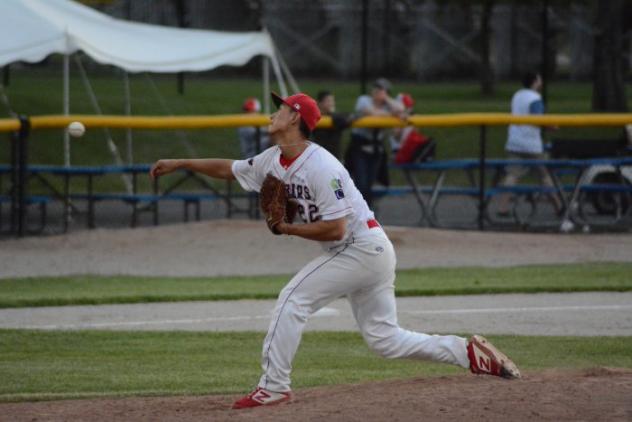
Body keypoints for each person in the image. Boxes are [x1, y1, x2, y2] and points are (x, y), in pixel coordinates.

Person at [149, 92, 521, 410]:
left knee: (292, 298)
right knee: (384, 339)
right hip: (362, 252)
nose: (271, 113)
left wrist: (288, 228)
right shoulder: (273, 157)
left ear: (295, 118)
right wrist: (181, 163)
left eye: (280, 109)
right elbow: (232, 169)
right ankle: (466, 353)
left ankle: (274, 388)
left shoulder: (322, 167)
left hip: (361, 248)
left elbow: (337, 228)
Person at [496, 72, 562, 217]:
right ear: (535, 82)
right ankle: (558, 207)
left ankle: (502, 207)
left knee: (512, 174)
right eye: (539, 79)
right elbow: (537, 119)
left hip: (514, 141)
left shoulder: (517, 95)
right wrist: (552, 126)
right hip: (531, 144)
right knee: (544, 176)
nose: (541, 82)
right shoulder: (535, 98)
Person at [344, 78, 405, 206]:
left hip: (376, 149)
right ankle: (357, 214)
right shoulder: (364, 100)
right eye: (375, 89)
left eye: (381, 90)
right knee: (361, 184)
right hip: (359, 147)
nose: (377, 92)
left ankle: (368, 215)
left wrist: (387, 99)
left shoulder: (388, 106)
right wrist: (391, 115)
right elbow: (371, 113)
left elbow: (400, 109)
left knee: (369, 185)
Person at [390, 93, 436, 164]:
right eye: (407, 106)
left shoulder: (411, 117)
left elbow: (416, 132)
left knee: (430, 142)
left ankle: (423, 158)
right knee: (430, 142)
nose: (410, 109)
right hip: (400, 153)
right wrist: (403, 122)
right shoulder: (394, 119)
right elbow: (397, 136)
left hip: (407, 150)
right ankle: (419, 159)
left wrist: (412, 122)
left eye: (410, 106)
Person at [312, 90, 353, 159]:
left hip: (334, 156)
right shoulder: (315, 117)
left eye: (332, 101)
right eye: (328, 101)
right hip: (319, 155)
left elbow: (348, 120)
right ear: (319, 103)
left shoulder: (337, 117)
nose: (331, 104)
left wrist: (332, 113)